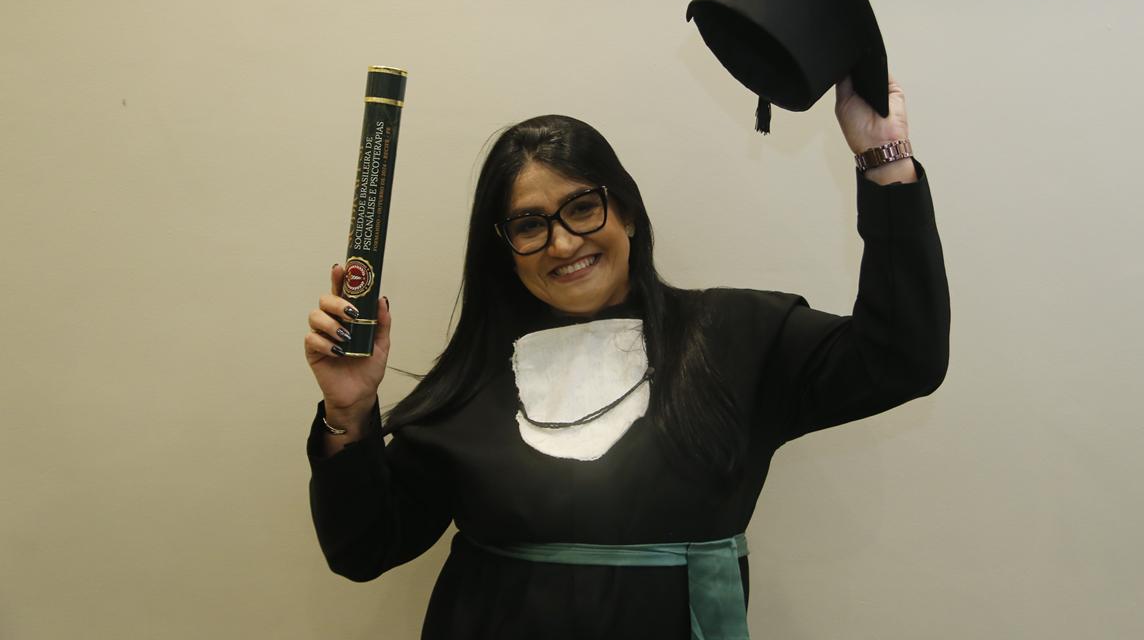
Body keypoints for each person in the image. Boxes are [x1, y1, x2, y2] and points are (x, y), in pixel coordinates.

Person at [303, 74, 950, 639]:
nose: (562, 244)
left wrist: (884, 161)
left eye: (583, 208)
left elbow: (902, 358)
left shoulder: (739, 339)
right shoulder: (472, 385)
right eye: (529, 225)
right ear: (506, 250)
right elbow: (363, 549)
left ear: (629, 213)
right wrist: (349, 411)